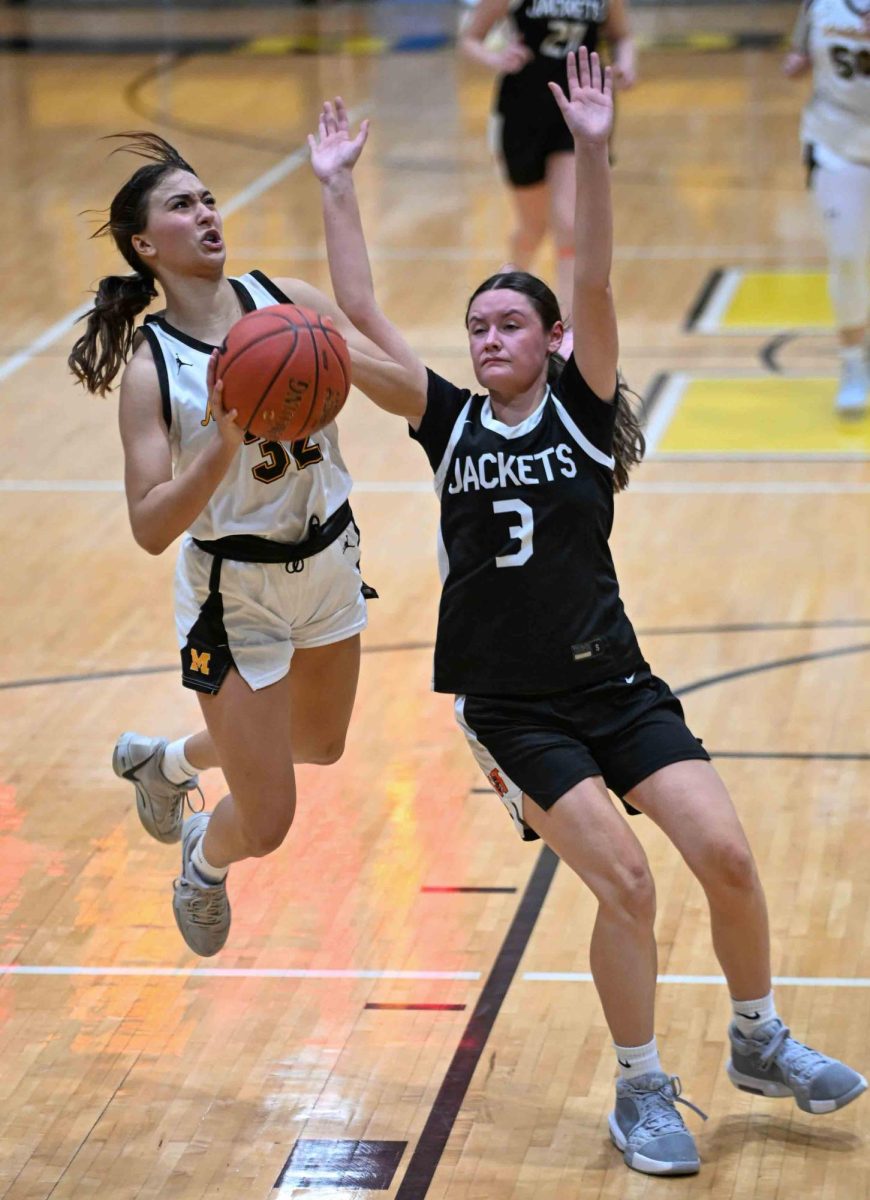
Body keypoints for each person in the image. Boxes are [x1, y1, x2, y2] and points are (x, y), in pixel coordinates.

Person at [306, 59, 866, 1177]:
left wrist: (596, 150)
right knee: (628, 882)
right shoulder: (450, 424)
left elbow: (595, 278)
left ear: (555, 343)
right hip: (513, 706)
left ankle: (758, 1040)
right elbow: (361, 316)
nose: (487, 340)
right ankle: (641, 1089)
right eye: (476, 329)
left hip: (614, 680)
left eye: (510, 324)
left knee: (731, 860)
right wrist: (334, 186)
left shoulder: (580, 408)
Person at [68, 132, 398, 957]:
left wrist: (336, 189)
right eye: (183, 205)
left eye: (209, 197)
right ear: (146, 245)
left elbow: (364, 325)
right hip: (233, 593)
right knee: (271, 818)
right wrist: (222, 439)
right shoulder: (153, 366)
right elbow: (149, 528)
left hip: (328, 557)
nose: (207, 212)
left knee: (320, 743)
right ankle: (203, 861)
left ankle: (169, 762)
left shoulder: (279, 301)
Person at [459, 0, 636, 341]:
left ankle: (569, 333)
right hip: (523, 111)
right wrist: (497, 58)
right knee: (532, 227)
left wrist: (625, 64)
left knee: (569, 224)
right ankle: (512, 295)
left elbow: (623, 36)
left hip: (580, 110)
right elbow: (469, 40)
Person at [783, 0, 870, 415]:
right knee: (849, 257)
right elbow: (799, 54)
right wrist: (796, 61)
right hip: (837, 143)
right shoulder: (819, 4)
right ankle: (854, 362)